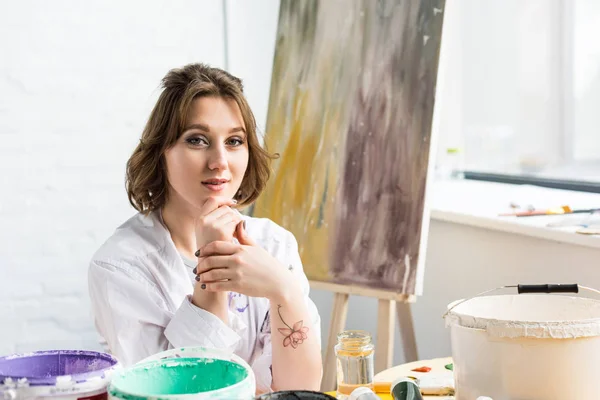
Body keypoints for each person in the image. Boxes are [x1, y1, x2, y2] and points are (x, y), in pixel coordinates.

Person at [88, 63, 322, 393]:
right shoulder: (120, 267)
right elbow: (171, 393)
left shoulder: (275, 244)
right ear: (161, 152)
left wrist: (282, 288)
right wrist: (211, 272)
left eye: (235, 141)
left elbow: (300, 390)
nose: (220, 161)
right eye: (197, 140)